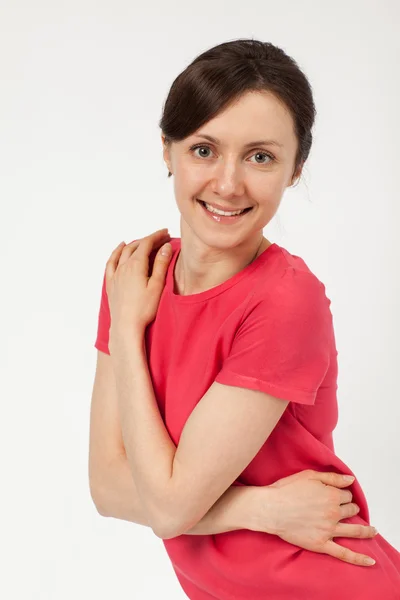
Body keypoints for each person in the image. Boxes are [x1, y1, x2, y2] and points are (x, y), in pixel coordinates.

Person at [93, 39, 400, 598]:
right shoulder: (132, 279)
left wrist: (125, 337)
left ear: (295, 169)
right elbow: (108, 489)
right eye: (204, 150)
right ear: (167, 149)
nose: (228, 184)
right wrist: (261, 508)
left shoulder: (285, 300)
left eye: (261, 156)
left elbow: (167, 508)